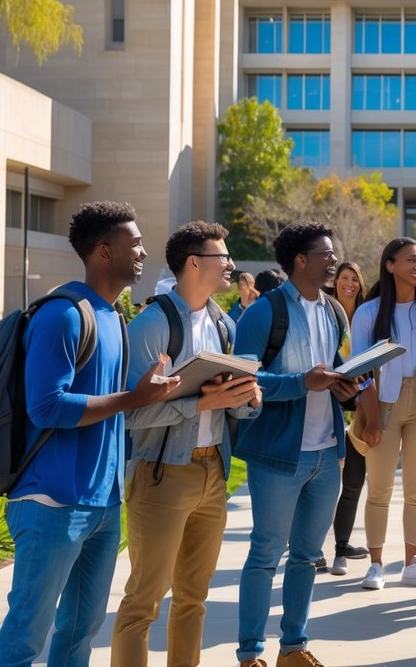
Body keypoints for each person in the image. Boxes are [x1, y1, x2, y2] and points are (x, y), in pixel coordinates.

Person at [0, 202, 179, 667]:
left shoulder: (114, 317)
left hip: (102, 505)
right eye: (133, 243)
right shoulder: (64, 315)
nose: (142, 250)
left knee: (79, 635)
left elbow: (114, 408)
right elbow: (47, 406)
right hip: (52, 503)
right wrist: (133, 399)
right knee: (25, 637)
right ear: (102, 250)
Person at [111, 221, 261, 667]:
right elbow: (131, 414)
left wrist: (247, 399)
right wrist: (198, 404)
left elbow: (230, 408)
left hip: (213, 473)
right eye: (223, 257)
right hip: (160, 476)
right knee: (144, 601)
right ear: (194, 263)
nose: (231, 264)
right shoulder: (153, 325)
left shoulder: (224, 325)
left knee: (194, 599)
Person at [232, 221, 361, 667]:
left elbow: (336, 367)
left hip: (327, 453)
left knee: (307, 556)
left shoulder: (333, 312)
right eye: (325, 254)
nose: (333, 259)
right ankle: (250, 655)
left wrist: (349, 387)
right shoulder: (263, 313)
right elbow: (244, 378)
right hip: (278, 456)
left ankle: (293, 648)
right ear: (300, 261)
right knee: (266, 554)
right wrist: (301, 383)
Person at [352, 238, 416, 589]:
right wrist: (372, 418)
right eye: (411, 260)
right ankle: (375, 564)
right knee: (378, 488)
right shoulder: (369, 312)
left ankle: (413, 563)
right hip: (381, 402)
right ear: (390, 265)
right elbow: (360, 371)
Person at [325, 261, 371, 576]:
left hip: (359, 404)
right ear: (335, 282)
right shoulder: (325, 312)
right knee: (323, 483)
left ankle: (342, 547)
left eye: (354, 279)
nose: (349, 284)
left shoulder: (368, 316)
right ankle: (312, 550)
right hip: (327, 402)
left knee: (353, 480)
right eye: (343, 278)